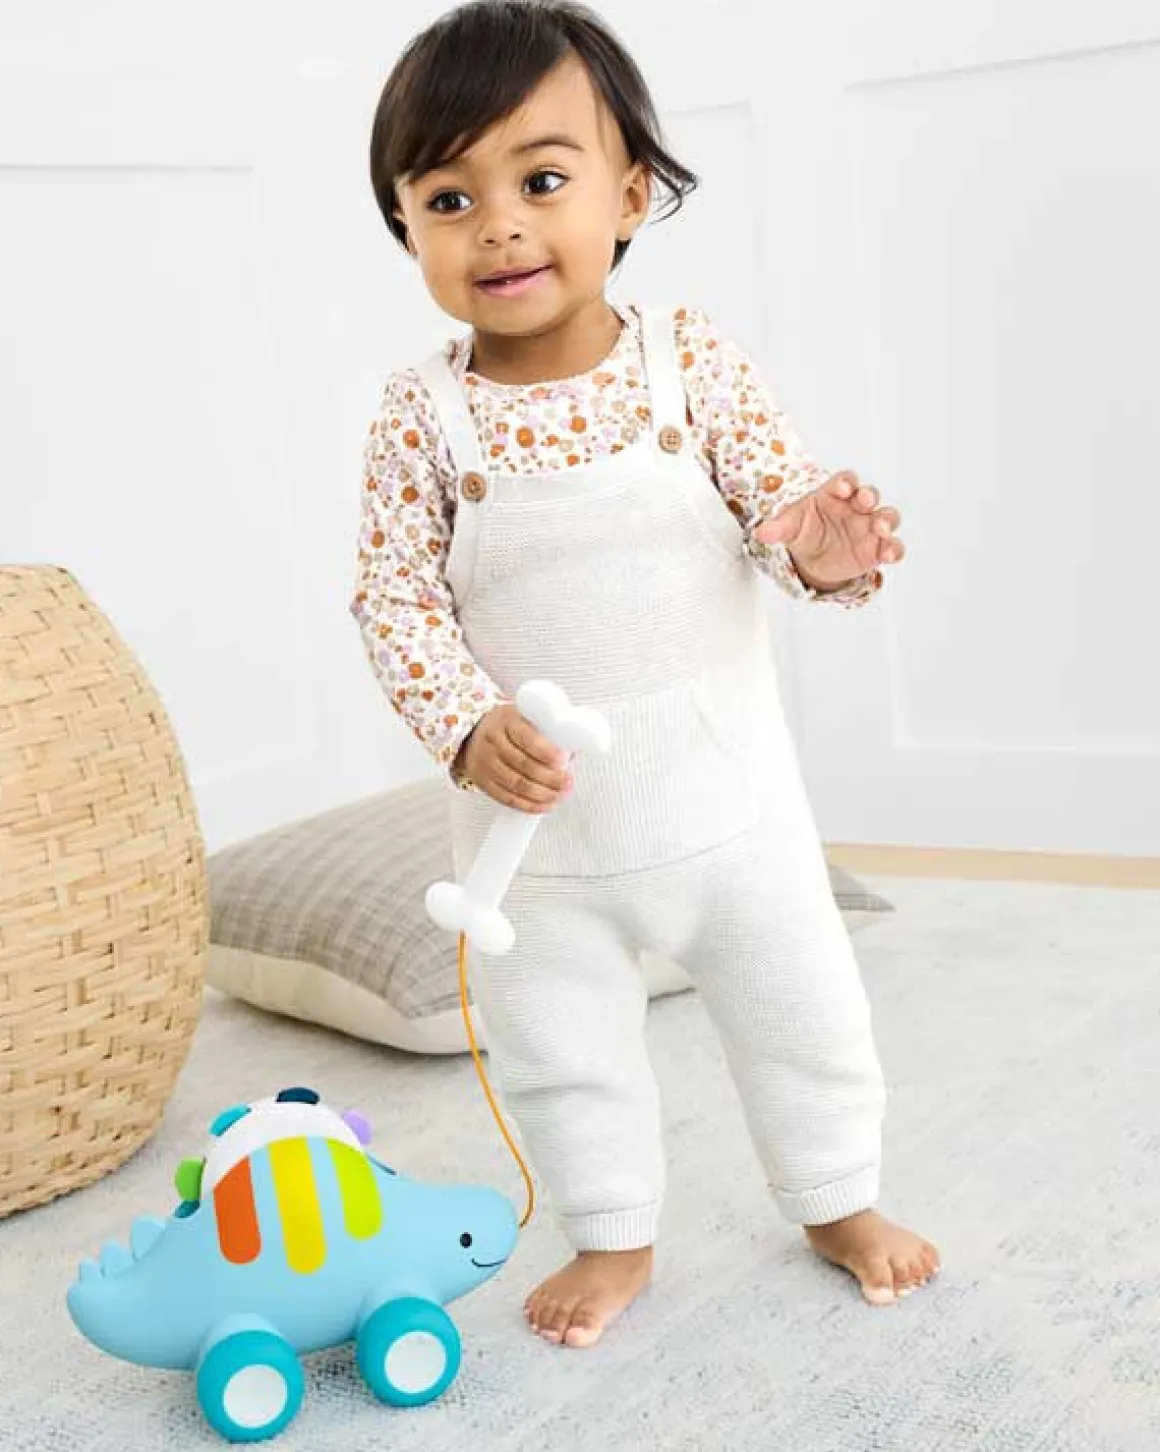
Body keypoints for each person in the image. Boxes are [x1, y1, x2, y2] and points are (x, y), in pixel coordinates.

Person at [352, 0, 940, 1350]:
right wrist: (467, 724)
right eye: (450, 198)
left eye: (541, 181)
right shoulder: (420, 417)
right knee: (560, 1051)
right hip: (538, 844)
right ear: (407, 228)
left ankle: (839, 1199)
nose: (499, 227)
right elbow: (393, 599)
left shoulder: (691, 365)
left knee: (805, 1012)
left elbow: (782, 519)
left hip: (732, 814)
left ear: (626, 196)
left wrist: (826, 544)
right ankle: (611, 1232)